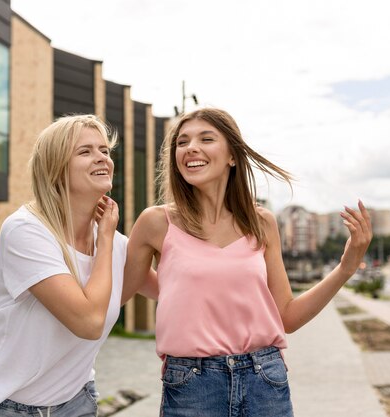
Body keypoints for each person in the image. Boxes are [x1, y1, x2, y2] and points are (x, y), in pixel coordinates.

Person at [122, 107, 372, 417]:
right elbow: (117, 294)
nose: (190, 148)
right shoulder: (156, 222)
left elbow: (287, 317)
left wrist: (345, 268)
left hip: (264, 379)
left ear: (232, 156)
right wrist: (102, 237)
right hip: (192, 386)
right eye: (181, 142)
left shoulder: (262, 222)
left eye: (206, 138)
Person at [0, 114, 124, 417]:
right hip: (6, 405)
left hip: (76, 401)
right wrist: (106, 240)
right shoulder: (25, 230)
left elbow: (175, 284)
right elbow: (89, 322)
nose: (102, 158)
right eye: (85, 151)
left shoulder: (114, 241)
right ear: (55, 168)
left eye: (104, 150)